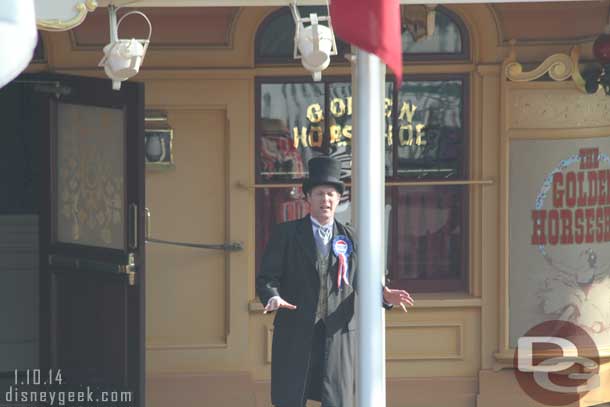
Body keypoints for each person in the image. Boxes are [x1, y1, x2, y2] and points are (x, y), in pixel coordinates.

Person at [256, 156, 414, 407]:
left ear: (339, 199)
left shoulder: (351, 236)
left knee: (336, 400)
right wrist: (272, 296)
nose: (325, 200)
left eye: (331, 194)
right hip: (296, 331)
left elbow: (363, 280)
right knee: (290, 398)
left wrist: (384, 295)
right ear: (308, 198)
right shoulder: (286, 234)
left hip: (337, 333)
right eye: (319, 194)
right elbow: (267, 278)